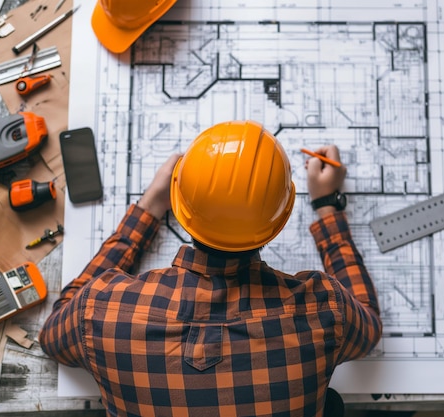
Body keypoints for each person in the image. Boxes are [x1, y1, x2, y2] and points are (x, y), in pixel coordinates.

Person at [39, 120, 382, 417]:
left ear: (179, 198)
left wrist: (147, 208)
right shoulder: (322, 310)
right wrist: (326, 207)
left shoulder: (102, 311)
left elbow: (53, 333)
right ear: (282, 217)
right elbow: (367, 324)